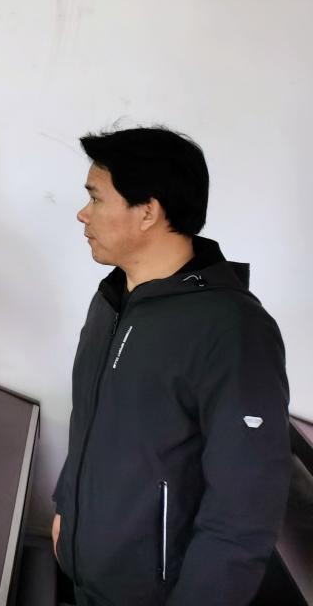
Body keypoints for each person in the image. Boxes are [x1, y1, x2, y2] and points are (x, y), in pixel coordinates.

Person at [52, 126, 291, 606]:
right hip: (88, 579)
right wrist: (65, 508)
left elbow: (243, 513)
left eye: (95, 198)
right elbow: (92, 426)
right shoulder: (111, 301)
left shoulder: (232, 329)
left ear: (148, 211)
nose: (82, 213)